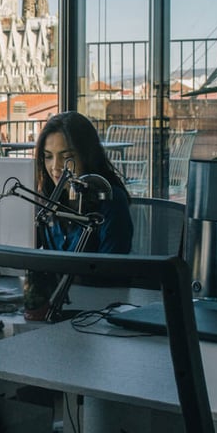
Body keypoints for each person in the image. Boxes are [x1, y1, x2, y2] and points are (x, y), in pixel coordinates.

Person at [24, 111, 133, 320]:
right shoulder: (47, 201)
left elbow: (112, 273)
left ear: (86, 155)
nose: (55, 166)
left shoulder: (109, 200)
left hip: (97, 313)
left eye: (67, 157)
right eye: (48, 156)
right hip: (56, 310)